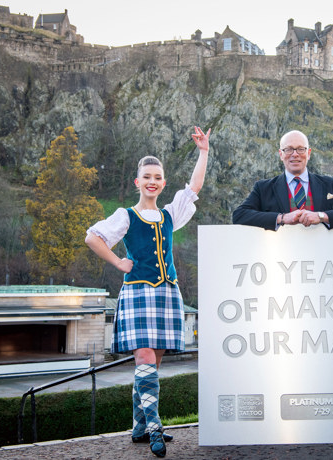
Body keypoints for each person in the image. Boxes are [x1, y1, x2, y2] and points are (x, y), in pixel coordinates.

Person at [85, 126, 210, 457]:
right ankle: (155, 427)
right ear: (137, 182)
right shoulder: (125, 216)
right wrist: (118, 262)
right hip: (138, 292)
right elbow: (92, 237)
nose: (152, 181)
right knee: (143, 359)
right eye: (147, 176)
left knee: (151, 365)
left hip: (168, 294)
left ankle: (138, 427)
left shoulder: (170, 215)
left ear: (163, 183)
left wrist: (203, 152)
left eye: (158, 177)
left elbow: (194, 187)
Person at [232, 130, 333, 229]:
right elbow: (239, 215)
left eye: (301, 149)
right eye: (289, 149)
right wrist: (281, 218)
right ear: (281, 154)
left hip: (324, 256)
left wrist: (321, 216)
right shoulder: (263, 188)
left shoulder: (330, 184)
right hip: (280, 259)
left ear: (309, 153)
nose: (295, 154)